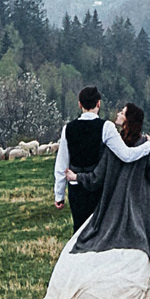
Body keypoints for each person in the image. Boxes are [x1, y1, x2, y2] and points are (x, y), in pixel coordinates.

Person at [41, 102, 150, 299]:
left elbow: (98, 177)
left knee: (88, 239)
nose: (118, 114)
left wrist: (77, 178)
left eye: (122, 113)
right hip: (135, 208)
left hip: (113, 207)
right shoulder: (142, 146)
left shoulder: (113, 146)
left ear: (128, 120)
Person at [53, 86, 106, 231]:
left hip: (76, 186)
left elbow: (62, 163)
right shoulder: (105, 127)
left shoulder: (68, 128)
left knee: (80, 228)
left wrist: (59, 194)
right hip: (98, 186)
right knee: (99, 229)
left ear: (80, 104)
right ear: (98, 103)